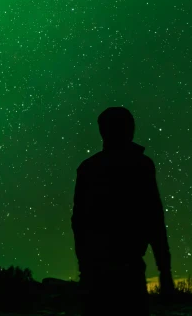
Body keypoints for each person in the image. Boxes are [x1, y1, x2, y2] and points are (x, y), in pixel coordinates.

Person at [72, 106, 175, 315]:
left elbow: (79, 222)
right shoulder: (140, 165)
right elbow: (154, 218)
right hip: (125, 268)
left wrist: (84, 267)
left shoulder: (89, 168)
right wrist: (165, 270)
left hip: (100, 269)